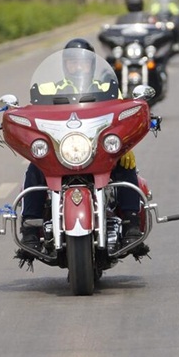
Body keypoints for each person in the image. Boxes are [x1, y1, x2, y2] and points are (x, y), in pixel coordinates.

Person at [19, 38, 147, 263]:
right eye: (72, 63)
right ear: (64, 66)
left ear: (92, 65)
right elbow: (32, 110)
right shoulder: (49, 90)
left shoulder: (107, 88)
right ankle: (30, 229)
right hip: (65, 150)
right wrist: (16, 114)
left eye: (82, 63)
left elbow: (122, 112)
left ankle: (131, 223)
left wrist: (126, 142)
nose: (77, 67)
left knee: (126, 162)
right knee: (35, 168)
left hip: (96, 151)